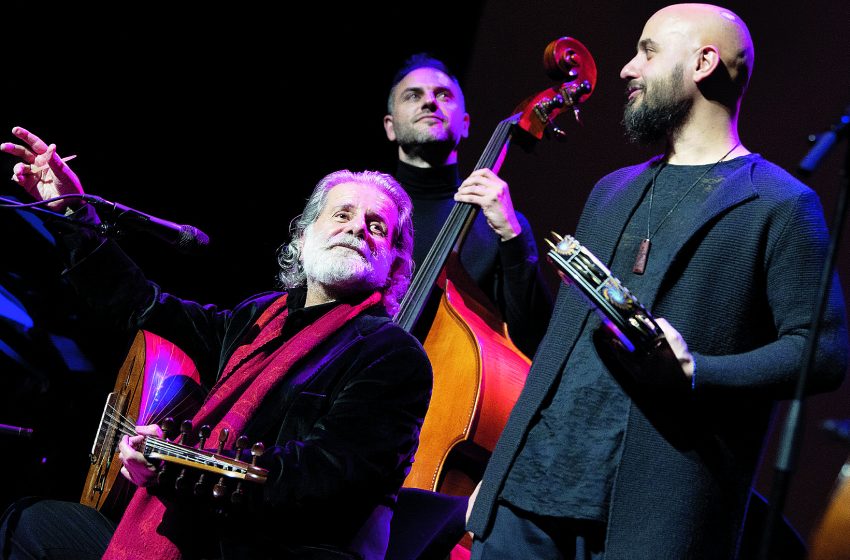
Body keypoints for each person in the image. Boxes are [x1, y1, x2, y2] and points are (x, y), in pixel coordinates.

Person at [466, 4, 849, 559]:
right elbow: (560, 349)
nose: (625, 68)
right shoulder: (611, 190)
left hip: (650, 520)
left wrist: (698, 371)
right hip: (525, 501)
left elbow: (823, 351)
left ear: (703, 62)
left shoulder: (780, 203)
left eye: (646, 51)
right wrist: (499, 478)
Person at [0, 126, 432, 560]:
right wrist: (76, 215)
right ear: (302, 238)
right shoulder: (258, 317)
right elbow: (144, 307)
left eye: (377, 226)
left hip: (269, 549)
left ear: (394, 262)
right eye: (342, 214)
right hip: (197, 531)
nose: (358, 228)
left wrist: (171, 462)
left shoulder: (392, 354)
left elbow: (323, 476)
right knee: (31, 523)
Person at [383, 54, 552, 357]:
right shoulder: (366, 210)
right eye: (413, 95)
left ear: (465, 124)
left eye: (443, 95)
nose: (430, 102)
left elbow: (535, 339)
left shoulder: (496, 221)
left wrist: (513, 238)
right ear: (390, 126)